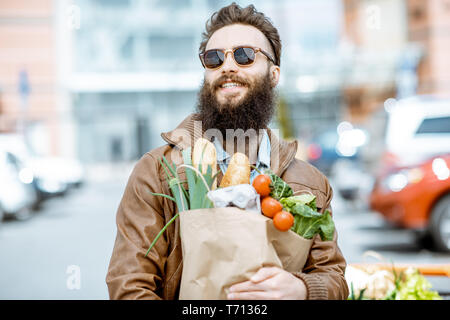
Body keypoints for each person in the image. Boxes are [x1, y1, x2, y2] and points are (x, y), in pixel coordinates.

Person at [106, 3, 349, 300]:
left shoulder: (311, 184)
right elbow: (129, 286)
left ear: (273, 74)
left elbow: (334, 278)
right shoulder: (157, 172)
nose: (228, 66)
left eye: (245, 55)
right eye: (214, 58)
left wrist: (302, 288)